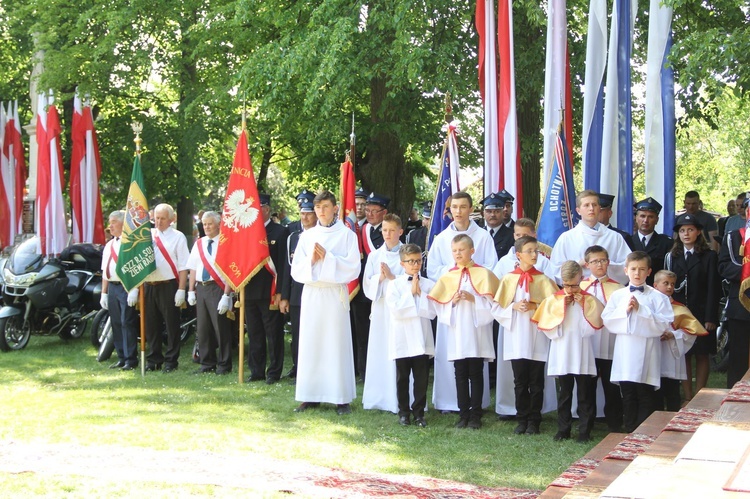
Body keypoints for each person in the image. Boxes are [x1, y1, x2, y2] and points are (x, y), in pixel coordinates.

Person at [426, 191, 498, 412]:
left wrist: (471, 281)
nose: (458, 211)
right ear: (449, 210)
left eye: (463, 207)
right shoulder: (440, 238)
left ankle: (476, 406)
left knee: (475, 362)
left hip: (476, 307)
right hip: (452, 306)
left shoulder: (483, 237)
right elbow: (433, 270)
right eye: (454, 207)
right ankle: (450, 402)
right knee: (453, 359)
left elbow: (491, 268)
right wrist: (454, 274)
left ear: (470, 209)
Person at [291, 190, 360, 415]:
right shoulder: (307, 236)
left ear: (335, 208)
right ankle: (310, 395)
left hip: (333, 295)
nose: (321, 212)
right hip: (313, 294)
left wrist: (327, 259)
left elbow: (353, 268)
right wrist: (312, 260)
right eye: (318, 208)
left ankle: (341, 398)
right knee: (312, 344)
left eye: (326, 207)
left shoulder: (347, 235)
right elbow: (296, 270)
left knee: (335, 343)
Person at [491, 218, 558, 420]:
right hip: (516, 335)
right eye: (529, 251)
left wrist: (535, 306)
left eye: (535, 251)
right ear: (518, 255)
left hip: (536, 335)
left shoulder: (544, 279)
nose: (534, 255)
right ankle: (522, 416)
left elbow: (554, 305)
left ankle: (535, 418)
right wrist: (513, 306)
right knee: (519, 380)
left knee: (536, 379)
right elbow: (496, 307)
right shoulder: (508, 278)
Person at [602, 251, 673, 433]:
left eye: (641, 269)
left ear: (649, 271)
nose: (637, 273)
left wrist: (641, 310)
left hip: (647, 350)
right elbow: (608, 320)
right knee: (628, 393)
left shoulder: (658, 298)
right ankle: (629, 427)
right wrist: (624, 311)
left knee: (645, 393)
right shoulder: (618, 296)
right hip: (625, 350)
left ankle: (644, 430)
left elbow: (663, 323)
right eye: (633, 269)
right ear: (626, 270)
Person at [533, 260, 603, 443]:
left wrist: (584, 306)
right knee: (564, 393)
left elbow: (595, 326)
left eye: (574, 285)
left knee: (585, 393)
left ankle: (584, 431)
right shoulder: (553, 299)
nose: (571, 289)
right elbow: (547, 328)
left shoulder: (589, 299)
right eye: (567, 285)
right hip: (562, 350)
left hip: (582, 350)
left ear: (581, 279)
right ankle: (563, 429)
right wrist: (561, 308)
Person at [664, 213, 720, 402]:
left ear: (698, 232)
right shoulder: (673, 257)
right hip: (681, 313)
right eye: (682, 231)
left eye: (690, 230)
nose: (686, 234)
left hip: (702, 312)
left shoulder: (709, 256)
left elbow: (714, 288)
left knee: (702, 353)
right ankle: (687, 396)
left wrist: (711, 317)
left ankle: (700, 395)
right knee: (684, 354)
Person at [385, 243, 436, 427]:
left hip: (421, 337)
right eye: (411, 261)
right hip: (402, 338)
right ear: (402, 263)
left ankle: (419, 413)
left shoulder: (429, 284)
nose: (415, 265)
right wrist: (411, 293)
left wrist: (420, 293)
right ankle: (404, 412)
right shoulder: (394, 285)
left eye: (418, 261)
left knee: (421, 378)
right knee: (402, 377)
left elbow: (432, 312)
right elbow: (396, 311)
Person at [245, 194, 290, 384]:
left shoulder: (280, 232)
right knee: (254, 333)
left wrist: (281, 293)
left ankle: (273, 372)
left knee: (273, 334)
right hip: (249, 290)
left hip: (270, 291)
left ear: (266, 209)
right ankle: (256, 371)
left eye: (258, 207)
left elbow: (282, 265)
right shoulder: (246, 232)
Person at [362, 213, 404, 413]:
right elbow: (367, 283)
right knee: (380, 350)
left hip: (400, 311)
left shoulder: (407, 253)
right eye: (385, 230)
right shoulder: (374, 256)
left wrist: (393, 277)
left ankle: (399, 397)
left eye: (392, 230)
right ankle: (378, 396)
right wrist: (380, 278)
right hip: (380, 309)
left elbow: (413, 281)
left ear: (400, 232)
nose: (387, 234)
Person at [581, 245, 624, 432]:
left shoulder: (618, 288)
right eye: (595, 261)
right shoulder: (581, 286)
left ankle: (614, 421)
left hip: (609, 342)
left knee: (611, 384)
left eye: (603, 260)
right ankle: (585, 423)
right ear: (586, 264)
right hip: (587, 343)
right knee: (586, 385)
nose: (599, 264)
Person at [186, 211, 233, 374]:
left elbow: (230, 271)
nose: (206, 227)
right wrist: (191, 290)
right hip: (201, 287)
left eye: (210, 223)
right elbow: (192, 267)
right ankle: (207, 363)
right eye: (204, 224)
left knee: (221, 327)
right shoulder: (199, 243)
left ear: (218, 224)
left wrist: (226, 295)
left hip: (217, 287)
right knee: (203, 328)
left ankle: (224, 364)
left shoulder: (226, 243)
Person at [144, 203, 190, 373]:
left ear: (172, 219)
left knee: (171, 324)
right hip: (150, 284)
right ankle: (153, 358)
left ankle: (171, 360)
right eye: (156, 218)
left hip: (168, 285)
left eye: (163, 218)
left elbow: (183, 265)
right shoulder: (147, 235)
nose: (159, 221)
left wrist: (181, 289)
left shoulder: (178, 237)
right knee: (151, 324)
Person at [653, 270, 707, 411]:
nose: (670, 287)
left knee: (672, 392)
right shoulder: (647, 306)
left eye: (672, 284)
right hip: (653, 354)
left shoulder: (680, 308)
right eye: (666, 283)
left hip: (671, 357)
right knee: (654, 394)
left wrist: (673, 335)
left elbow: (691, 331)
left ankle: (672, 418)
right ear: (655, 285)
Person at [551, 189, 631, 284]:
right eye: (586, 205)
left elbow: (628, 268)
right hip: (578, 291)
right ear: (578, 210)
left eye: (594, 205)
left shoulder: (614, 237)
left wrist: (603, 264)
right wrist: (577, 265)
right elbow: (555, 270)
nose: (591, 208)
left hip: (608, 291)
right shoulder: (567, 238)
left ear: (599, 208)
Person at [351, 192, 389, 381]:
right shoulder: (360, 231)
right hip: (362, 290)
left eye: (375, 210)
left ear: (384, 212)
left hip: (383, 291)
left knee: (383, 331)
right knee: (362, 333)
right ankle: (364, 372)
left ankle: (383, 371)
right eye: (368, 210)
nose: (371, 214)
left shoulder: (391, 231)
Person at [279, 195, 317, 379]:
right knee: (297, 333)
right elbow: (287, 268)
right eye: (302, 213)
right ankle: (297, 368)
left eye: (309, 214)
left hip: (317, 291)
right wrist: (284, 296)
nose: (305, 217)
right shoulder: (293, 237)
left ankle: (314, 369)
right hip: (297, 293)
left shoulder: (322, 235)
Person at [100, 210, 139, 371]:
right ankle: (121, 357)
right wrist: (104, 292)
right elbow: (105, 270)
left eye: (114, 221)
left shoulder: (131, 243)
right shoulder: (109, 245)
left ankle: (131, 359)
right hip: (113, 287)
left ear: (123, 223)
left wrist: (134, 289)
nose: (110, 225)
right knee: (116, 323)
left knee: (126, 322)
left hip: (126, 287)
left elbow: (137, 268)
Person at [718, 194, 750, 388]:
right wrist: (746, 273)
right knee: (739, 354)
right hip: (740, 304)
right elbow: (723, 266)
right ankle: (735, 397)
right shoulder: (733, 236)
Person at [628, 197, 673, 286]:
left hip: (657, 292)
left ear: (657, 220)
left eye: (650, 217)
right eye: (642, 216)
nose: (646, 220)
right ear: (636, 218)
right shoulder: (627, 241)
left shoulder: (666, 243)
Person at [482, 192, 515, 259]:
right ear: (483, 214)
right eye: (489, 211)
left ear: (503, 213)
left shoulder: (512, 236)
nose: (493, 215)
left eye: (497, 211)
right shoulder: (479, 234)